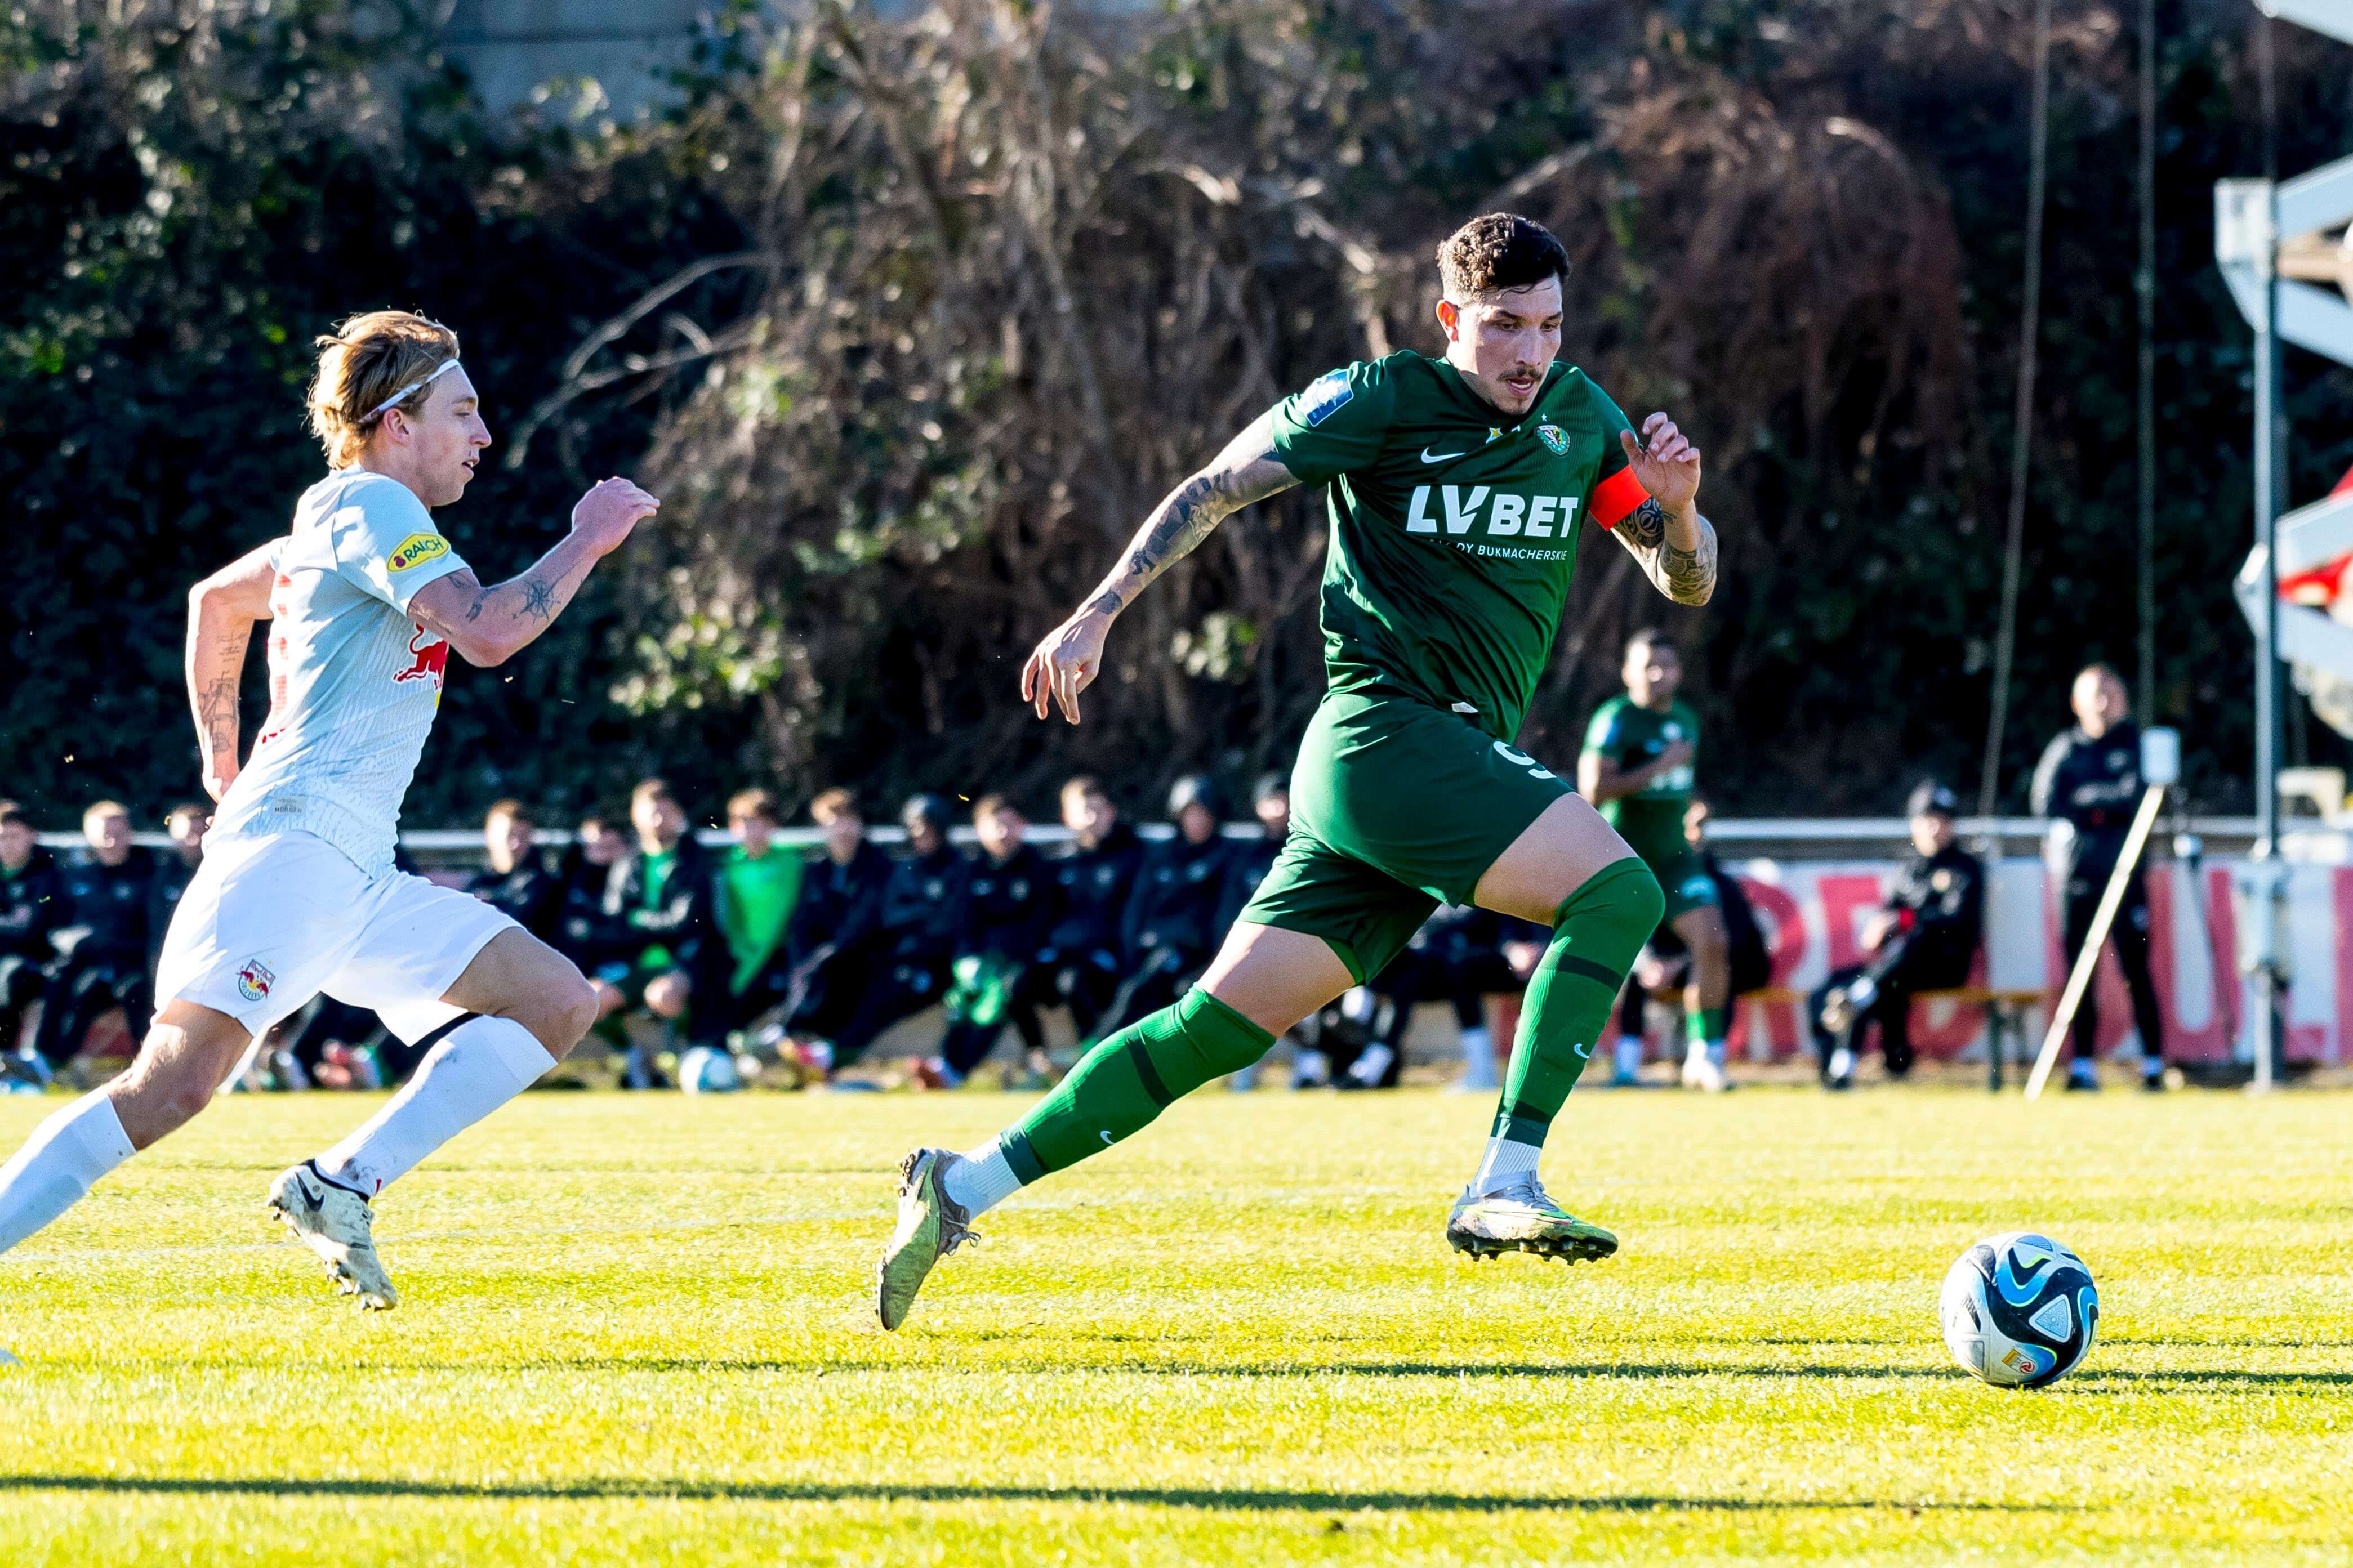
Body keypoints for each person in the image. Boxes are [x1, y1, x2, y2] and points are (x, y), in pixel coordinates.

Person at [879, 211, 1718, 1328]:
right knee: (1619, 892)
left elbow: (1683, 583)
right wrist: (1097, 611)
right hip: (1387, 737)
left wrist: (1679, 511)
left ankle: (960, 1184)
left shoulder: (1580, 419)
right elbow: (1213, 487)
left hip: (1415, 776)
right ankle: (1506, 1179)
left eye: (1549, 326)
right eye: (1504, 326)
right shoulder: (1378, 399)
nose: (1530, 353)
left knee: (1213, 1029)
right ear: (1449, 319)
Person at [0, 309, 656, 1310]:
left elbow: (217, 602)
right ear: (398, 423)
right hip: (296, 850)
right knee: (169, 1087)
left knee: (556, 1000)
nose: (484, 436)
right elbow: (486, 632)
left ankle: (339, 1184)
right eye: (464, 412)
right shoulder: (369, 504)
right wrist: (585, 539)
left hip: (353, 869)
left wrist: (221, 758)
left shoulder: (348, 520)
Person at [1579, 629, 1734, 1092]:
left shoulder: (1686, 717)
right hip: (1623, 858)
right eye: (1648, 666)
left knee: (1713, 940)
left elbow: (1680, 784)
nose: (1658, 674)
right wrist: (1658, 767)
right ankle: (1602, 1060)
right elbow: (1592, 790)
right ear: (1628, 672)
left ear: (1679, 672)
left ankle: (1706, 1057)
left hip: (1674, 858)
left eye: (1666, 665)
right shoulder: (1615, 719)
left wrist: (1696, 805)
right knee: (1611, 963)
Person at [2030, 663, 2167, 1091]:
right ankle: (2083, 1067)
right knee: (2080, 973)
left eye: (2112, 693)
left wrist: (2086, 801)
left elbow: (2137, 797)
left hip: (2126, 876)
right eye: (2096, 695)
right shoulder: (2065, 749)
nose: (2104, 703)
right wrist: (2102, 804)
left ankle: (2153, 1066)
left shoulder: (2135, 745)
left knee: (2135, 969)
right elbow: (2045, 801)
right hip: (2078, 879)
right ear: (2078, 703)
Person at [1809, 783, 1985, 1089]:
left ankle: (1862, 999)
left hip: (1943, 965)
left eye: (1942, 820)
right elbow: (1890, 912)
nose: (1934, 828)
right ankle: (1837, 1069)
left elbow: (1958, 921)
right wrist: (1879, 927)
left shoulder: (1965, 868)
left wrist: (1902, 920)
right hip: (1895, 972)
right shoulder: (1909, 869)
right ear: (1914, 825)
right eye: (1927, 820)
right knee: (1833, 990)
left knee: (1912, 943)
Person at [1606, 798, 1771, 1086]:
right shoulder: (1649, 872)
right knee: (1635, 978)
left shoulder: (1715, 878)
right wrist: (1648, 963)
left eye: (1701, 826)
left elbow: (1732, 938)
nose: (1695, 834)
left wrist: (1681, 963)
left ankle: (1709, 1057)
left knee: (1717, 969)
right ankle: (1626, 1066)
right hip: (1663, 964)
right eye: (1689, 825)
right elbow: (1635, 928)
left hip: (1720, 963)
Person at [921, 796, 1061, 1088]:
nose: (1001, 832)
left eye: (1008, 824)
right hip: (979, 963)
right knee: (961, 998)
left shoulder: (1038, 869)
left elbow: (1042, 923)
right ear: (979, 829)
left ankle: (954, 1072)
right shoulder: (972, 871)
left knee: (1000, 995)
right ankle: (946, 1064)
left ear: (1022, 825)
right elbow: (962, 924)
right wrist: (967, 960)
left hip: (1023, 963)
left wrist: (1011, 959)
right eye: (994, 825)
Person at [823, 794, 967, 1068]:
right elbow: (890, 916)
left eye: (928, 827)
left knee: (891, 999)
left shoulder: (957, 868)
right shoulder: (905, 869)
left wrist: (921, 918)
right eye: (915, 827)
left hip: (942, 964)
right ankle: (827, 1055)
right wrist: (924, 914)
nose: (921, 833)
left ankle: (832, 1057)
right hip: (902, 959)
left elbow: (950, 921)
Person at [594, 778, 719, 1088]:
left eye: (665, 813)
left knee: (663, 996)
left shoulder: (694, 860)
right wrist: (652, 925)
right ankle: (633, 1057)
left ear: (679, 815)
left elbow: (684, 922)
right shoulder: (626, 865)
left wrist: (637, 919)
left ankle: (680, 1061)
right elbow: (614, 923)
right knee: (591, 998)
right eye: (651, 812)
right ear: (635, 815)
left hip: (683, 963)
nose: (658, 821)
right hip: (633, 964)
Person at [1092, 775, 1235, 1040]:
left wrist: (1214, 959)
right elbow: (1137, 908)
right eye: (1190, 814)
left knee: (1142, 991)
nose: (1198, 821)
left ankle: (1098, 1049)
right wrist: (1132, 949)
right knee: (1127, 987)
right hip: (1152, 948)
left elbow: (1225, 914)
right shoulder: (1161, 856)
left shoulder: (1226, 856)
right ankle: (1102, 1049)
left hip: (1193, 952)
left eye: (1204, 814)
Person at [28, 802, 157, 1083]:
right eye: (105, 835)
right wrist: (74, 941)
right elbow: (53, 928)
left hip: (132, 968)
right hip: (87, 966)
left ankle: (152, 1068)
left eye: (119, 834)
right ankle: (45, 1063)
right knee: (64, 983)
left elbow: (155, 933)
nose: (112, 842)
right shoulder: (74, 878)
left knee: (130, 992)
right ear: (89, 836)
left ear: (130, 835)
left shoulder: (149, 877)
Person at [778, 788, 895, 1071]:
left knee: (831, 980)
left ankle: (794, 1043)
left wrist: (818, 962)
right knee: (802, 977)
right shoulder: (817, 872)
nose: (842, 829)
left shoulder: (880, 867)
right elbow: (801, 926)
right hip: (823, 969)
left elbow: (863, 925)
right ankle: (793, 1049)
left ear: (860, 824)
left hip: (867, 964)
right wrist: (801, 964)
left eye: (848, 820)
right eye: (833, 822)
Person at [1035, 776, 1147, 1047]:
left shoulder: (1134, 856)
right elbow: (1048, 916)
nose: (1092, 818)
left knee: (1077, 982)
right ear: (1067, 817)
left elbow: (1133, 916)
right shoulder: (1061, 863)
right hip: (1070, 955)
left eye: (1098, 809)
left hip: (1116, 956)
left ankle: (1094, 1053)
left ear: (1112, 812)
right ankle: (1039, 1057)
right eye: (1085, 810)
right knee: (1020, 984)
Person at [708, 787, 804, 1043]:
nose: (749, 829)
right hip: (738, 956)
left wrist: (753, 962)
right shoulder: (728, 866)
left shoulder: (789, 863)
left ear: (772, 825)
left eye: (757, 821)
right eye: (742, 821)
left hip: (775, 957)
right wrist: (741, 954)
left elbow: (781, 916)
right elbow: (726, 918)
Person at [0, 805, 65, 1082]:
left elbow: (31, 930)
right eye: (2, 837)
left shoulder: (47, 876)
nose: (7, 844)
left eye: (14, 836)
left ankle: (10, 1060)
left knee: (12, 975)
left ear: (31, 837)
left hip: (35, 963)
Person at [463, 800, 563, 942]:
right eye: (509, 835)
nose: (516, 844)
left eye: (523, 837)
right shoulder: (475, 885)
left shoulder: (544, 886)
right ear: (490, 836)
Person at [553, 809, 629, 971]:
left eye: (610, 847)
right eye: (596, 847)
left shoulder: (632, 882)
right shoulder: (566, 884)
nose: (603, 856)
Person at [148, 803, 210, 977]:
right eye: (189, 835)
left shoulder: (218, 871)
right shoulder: (159, 874)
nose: (196, 841)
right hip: (169, 956)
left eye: (201, 834)